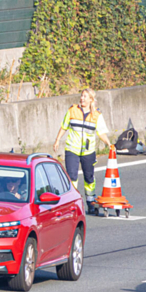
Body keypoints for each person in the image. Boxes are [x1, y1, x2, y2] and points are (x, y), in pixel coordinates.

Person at [53, 87, 111, 215]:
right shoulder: (72, 110)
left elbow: (101, 132)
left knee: (89, 178)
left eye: (85, 96)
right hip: (72, 149)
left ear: (91, 99)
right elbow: (64, 126)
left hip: (88, 152)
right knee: (72, 177)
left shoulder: (96, 115)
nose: (82, 98)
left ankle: (90, 202)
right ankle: (73, 203)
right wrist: (57, 140)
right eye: (81, 95)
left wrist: (109, 143)